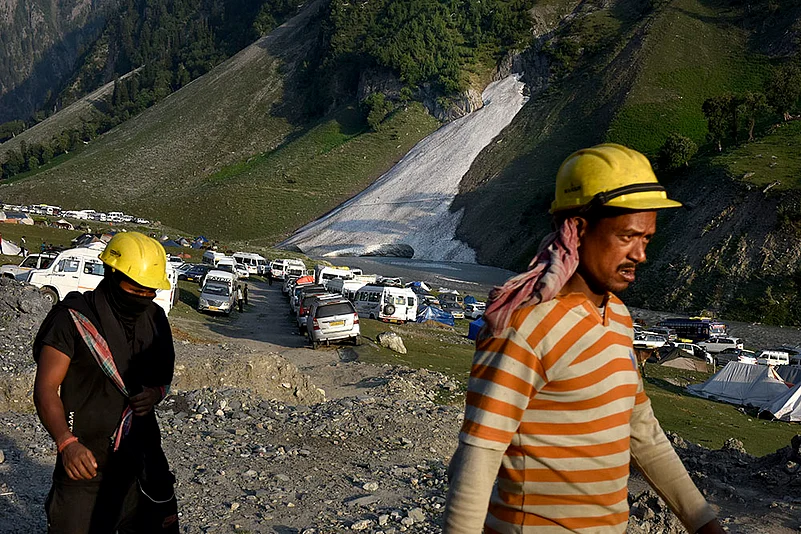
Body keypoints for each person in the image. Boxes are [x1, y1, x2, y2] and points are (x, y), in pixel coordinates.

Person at [443, 144, 725, 534]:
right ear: (578, 229)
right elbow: (479, 456)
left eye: (647, 239)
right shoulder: (527, 325)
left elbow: (642, 431)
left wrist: (703, 522)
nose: (640, 255)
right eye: (627, 236)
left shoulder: (619, 318)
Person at [33, 232, 178, 534]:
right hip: (85, 461)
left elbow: (163, 374)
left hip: (141, 458)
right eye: (135, 289)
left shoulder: (155, 319)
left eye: (149, 291)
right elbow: (45, 388)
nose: (143, 297)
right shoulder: (72, 319)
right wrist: (66, 442)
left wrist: (154, 394)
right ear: (111, 274)